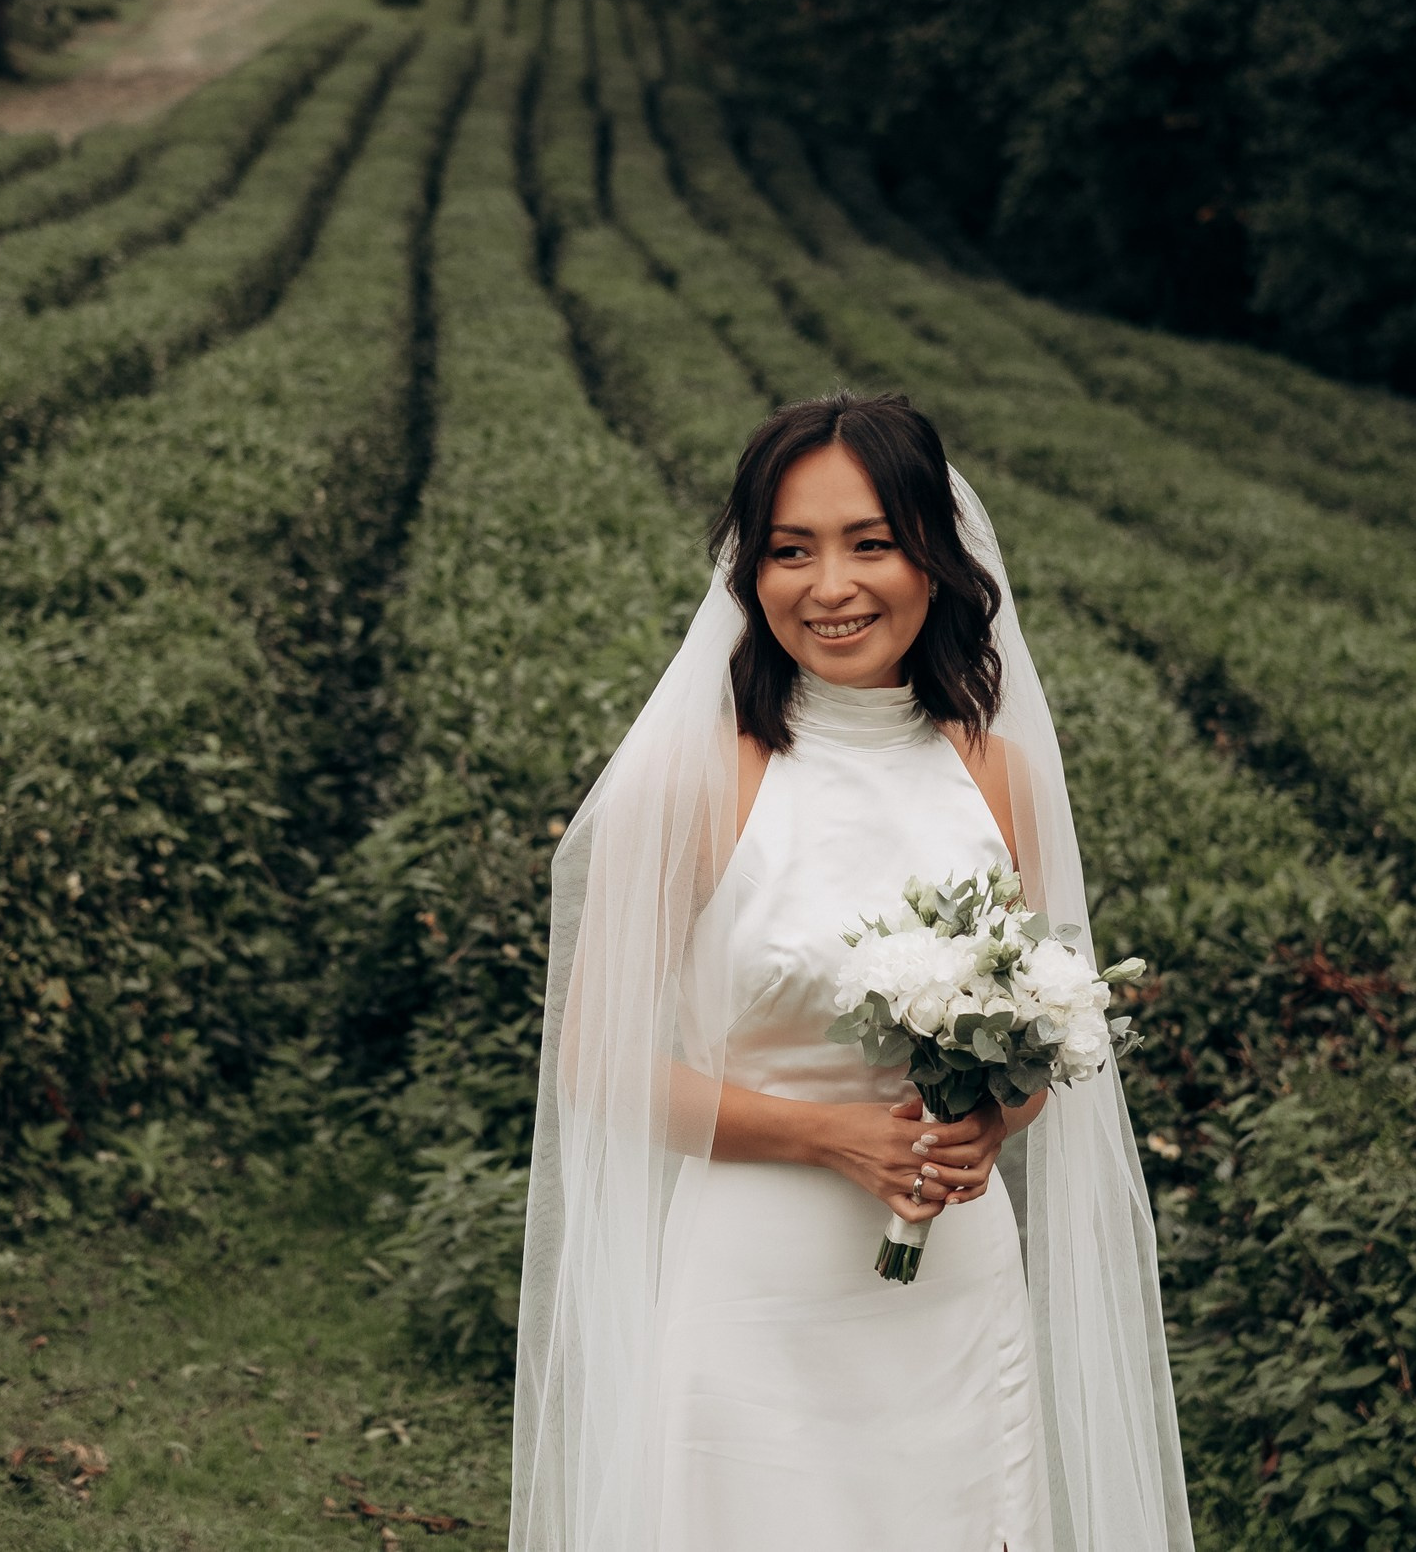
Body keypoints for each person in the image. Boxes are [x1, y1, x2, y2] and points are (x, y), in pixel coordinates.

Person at [509, 391, 1193, 1552]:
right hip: (757, 1281)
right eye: (791, 551)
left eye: (869, 542)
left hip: (955, 1283)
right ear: (750, 575)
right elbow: (599, 1067)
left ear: (935, 557)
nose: (830, 586)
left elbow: (1037, 1037)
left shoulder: (1000, 777)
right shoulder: (695, 784)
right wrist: (828, 1136)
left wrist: (994, 1117)